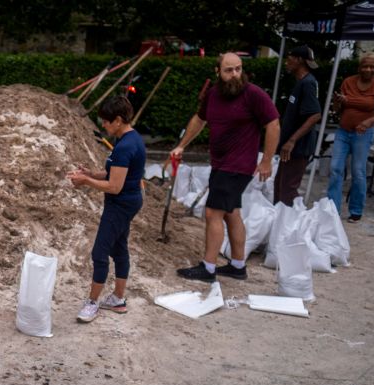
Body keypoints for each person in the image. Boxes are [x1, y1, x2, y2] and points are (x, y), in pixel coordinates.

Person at [170, 53, 280, 282]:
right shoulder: (213, 95)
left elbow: (273, 124)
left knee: (212, 213)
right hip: (221, 164)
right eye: (229, 70)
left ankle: (208, 268)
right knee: (231, 213)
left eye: (238, 69)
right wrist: (181, 146)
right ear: (217, 71)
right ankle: (238, 266)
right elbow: (199, 120)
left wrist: (267, 160)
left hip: (238, 165)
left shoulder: (253, 94)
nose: (235, 75)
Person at [68, 96, 146, 323]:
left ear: (119, 120)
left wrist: (84, 182)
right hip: (127, 200)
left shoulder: (125, 146)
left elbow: (114, 186)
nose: (103, 125)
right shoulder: (130, 139)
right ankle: (118, 299)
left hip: (120, 204)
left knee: (99, 252)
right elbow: (116, 173)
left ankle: (92, 303)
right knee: (119, 248)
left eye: (106, 121)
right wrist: (91, 173)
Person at [328, 53, 374, 223]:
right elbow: (336, 109)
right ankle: (332, 209)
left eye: (372, 66)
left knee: (358, 171)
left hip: (363, 135)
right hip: (343, 131)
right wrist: (337, 101)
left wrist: (368, 122)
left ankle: (356, 210)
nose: (368, 69)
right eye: (365, 66)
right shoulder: (348, 82)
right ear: (359, 67)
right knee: (335, 168)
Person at [274, 46, 322, 206]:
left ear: (299, 60)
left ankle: (288, 226)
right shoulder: (301, 82)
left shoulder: (308, 83)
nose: (287, 61)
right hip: (291, 147)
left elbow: (315, 115)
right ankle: (277, 223)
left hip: (298, 147)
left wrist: (292, 141)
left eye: (290, 57)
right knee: (279, 186)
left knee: (287, 190)